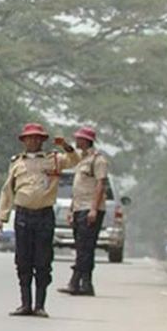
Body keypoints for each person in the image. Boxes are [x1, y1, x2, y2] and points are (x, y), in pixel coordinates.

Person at [0, 123, 79, 318]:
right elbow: (7, 191)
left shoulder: (54, 159)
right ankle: (25, 304)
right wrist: (1, 218)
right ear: (24, 141)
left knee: (42, 261)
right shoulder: (16, 163)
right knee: (23, 261)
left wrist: (65, 145)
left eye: (37, 138)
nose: (33, 141)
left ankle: (40, 305)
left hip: (44, 216)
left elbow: (75, 160)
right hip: (23, 216)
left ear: (42, 140)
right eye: (29, 138)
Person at [58, 126, 108, 297]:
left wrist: (94, 209)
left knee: (85, 247)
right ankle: (85, 284)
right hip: (80, 207)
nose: (76, 141)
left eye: (79, 138)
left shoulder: (98, 160)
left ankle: (75, 282)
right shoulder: (82, 159)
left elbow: (101, 185)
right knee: (81, 246)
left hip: (90, 208)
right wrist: (71, 210)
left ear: (86, 140)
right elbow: (77, 188)